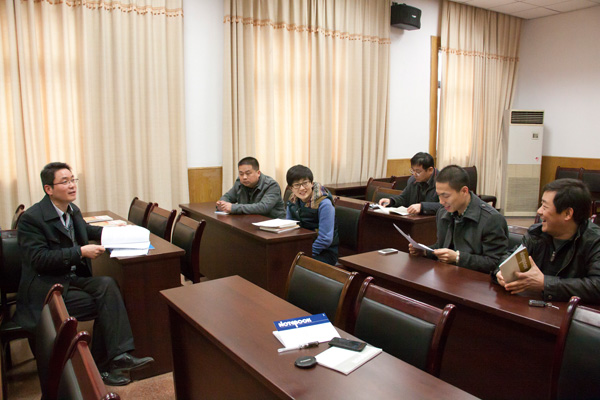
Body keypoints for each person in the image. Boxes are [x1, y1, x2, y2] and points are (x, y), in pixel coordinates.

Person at [15, 162, 153, 386]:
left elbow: (86, 230)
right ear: (49, 189)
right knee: (107, 304)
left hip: (68, 279)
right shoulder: (32, 219)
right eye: (65, 182)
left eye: (73, 180)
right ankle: (102, 368)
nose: (72, 186)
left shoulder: (72, 210)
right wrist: (80, 252)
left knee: (108, 285)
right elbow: (39, 259)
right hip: (46, 289)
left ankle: (119, 356)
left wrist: (115, 233)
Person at [496, 179, 600, 303]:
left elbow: (597, 286)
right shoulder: (536, 233)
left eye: (545, 207)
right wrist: (500, 273)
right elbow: (510, 257)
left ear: (568, 213)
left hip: (572, 311)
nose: (539, 211)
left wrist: (545, 283)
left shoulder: (594, 241)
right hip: (533, 306)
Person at [409, 164, 508, 273]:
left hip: (476, 279)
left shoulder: (491, 219)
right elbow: (442, 245)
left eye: (445, 196)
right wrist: (424, 251)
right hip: (449, 275)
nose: (441, 201)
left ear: (464, 191)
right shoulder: (443, 212)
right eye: (438, 195)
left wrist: (458, 258)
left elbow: (495, 262)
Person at [286, 165, 339, 266]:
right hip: (301, 248)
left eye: (305, 183)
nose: (302, 188)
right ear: (291, 188)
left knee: (293, 265)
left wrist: (305, 255)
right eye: (297, 185)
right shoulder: (292, 200)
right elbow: (288, 227)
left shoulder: (324, 203)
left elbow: (325, 239)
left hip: (324, 252)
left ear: (311, 183)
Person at [217, 157, 286, 218]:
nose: (244, 177)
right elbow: (228, 196)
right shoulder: (240, 182)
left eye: (248, 173)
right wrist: (222, 204)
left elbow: (263, 207)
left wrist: (233, 208)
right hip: (249, 221)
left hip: (272, 222)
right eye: (241, 174)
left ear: (258, 173)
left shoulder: (271, 185)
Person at [378, 152, 443, 215]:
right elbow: (404, 198)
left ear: (430, 170)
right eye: (412, 170)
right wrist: (391, 201)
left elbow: (445, 205)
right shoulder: (413, 180)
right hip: (415, 218)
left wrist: (422, 207)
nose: (414, 174)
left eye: (418, 171)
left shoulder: (443, 182)